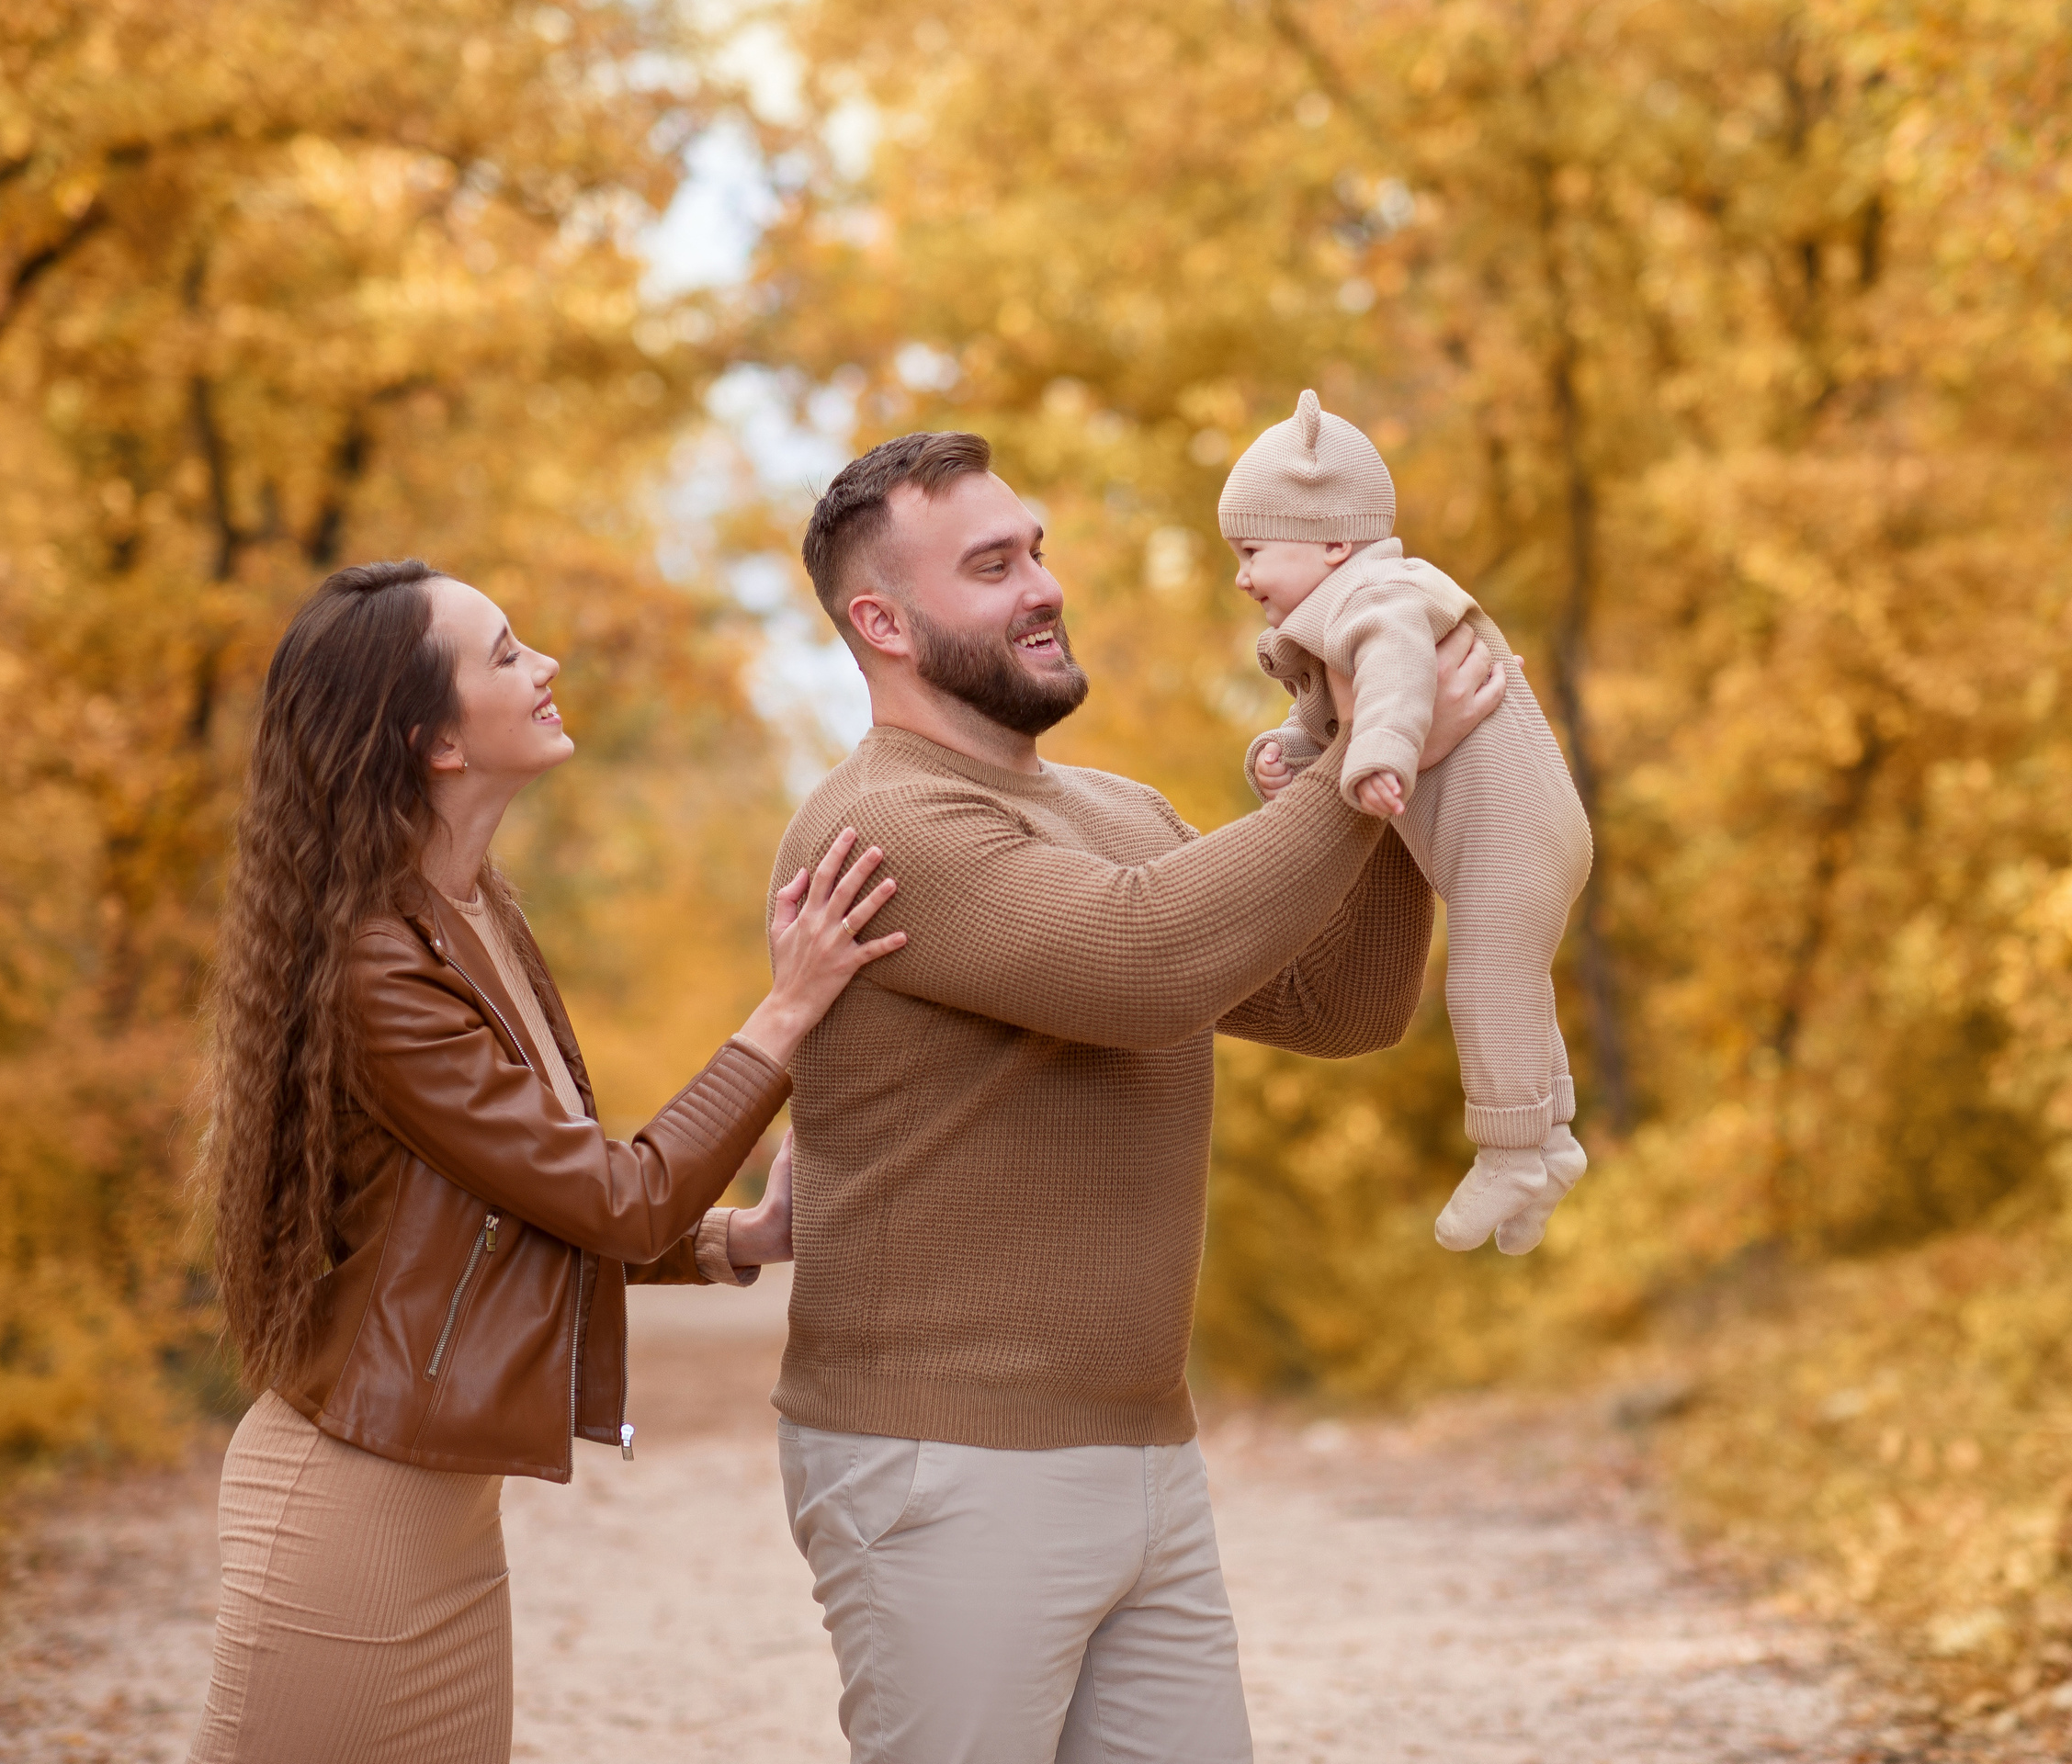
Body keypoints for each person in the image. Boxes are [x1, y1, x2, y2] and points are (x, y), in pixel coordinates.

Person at [768, 432, 1506, 1763]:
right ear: (881, 621)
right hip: (945, 1466)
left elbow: (1342, 1007)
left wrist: (1382, 762)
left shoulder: (1117, 812)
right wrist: (1355, 775)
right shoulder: (882, 826)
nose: (1043, 585)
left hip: (1146, 1451)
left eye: (1037, 548)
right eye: (992, 566)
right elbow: (1144, 960)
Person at [188, 558, 903, 1764]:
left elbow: (536, 1199)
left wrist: (736, 1238)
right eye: (507, 653)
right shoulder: (381, 969)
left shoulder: (473, 918)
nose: (548, 666)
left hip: (443, 1515)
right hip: (347, 1512)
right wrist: (785, 1016)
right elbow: (618, 1200)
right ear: (435, 743)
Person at [1227, 390, 1592, 1254]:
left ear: (1330, 541)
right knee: (1515, 983)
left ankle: (1506, 1151)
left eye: (1251, 552)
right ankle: (1552, 1142)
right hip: (1519, 835)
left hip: (1513, 832)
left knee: (1484, 982)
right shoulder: (1341, 612)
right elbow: (1335, 717)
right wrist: (1291, 757)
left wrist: (1383, 754)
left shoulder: (1380, 598)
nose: (1241, 577)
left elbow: (1392, 683)